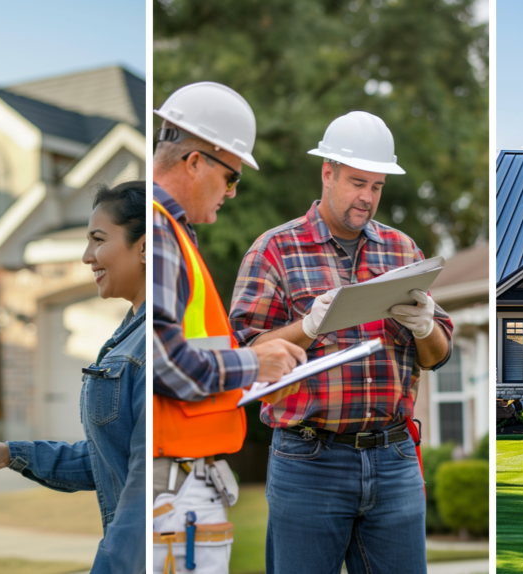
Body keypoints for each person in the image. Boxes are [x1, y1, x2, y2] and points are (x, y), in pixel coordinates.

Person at [229, 111, 454, 574]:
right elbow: (243, 357)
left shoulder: (403, 252)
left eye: (376, 187)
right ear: (327, 172)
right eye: (357, 183)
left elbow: (439, 356)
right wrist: (307, 327)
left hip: (393, 459)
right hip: (309, 460)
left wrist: (425, 325)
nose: (367, 198)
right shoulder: (274, 250)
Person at [0, 181, 147, 574]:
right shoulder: (126, 337)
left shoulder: (150, 343)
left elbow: (143, 487)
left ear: (143, 247)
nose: (87, 256)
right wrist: (9, 454)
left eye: (98, 239)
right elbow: (106, 461)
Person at [150, 81, 306, 573]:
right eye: (231, 176)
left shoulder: (173, 233)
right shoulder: (157, 229)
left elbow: (190, 354)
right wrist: (254, 362)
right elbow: (160, 358)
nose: (233, 192)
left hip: (183, 489)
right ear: (195, 162)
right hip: (175, 492)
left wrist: (252, 379)